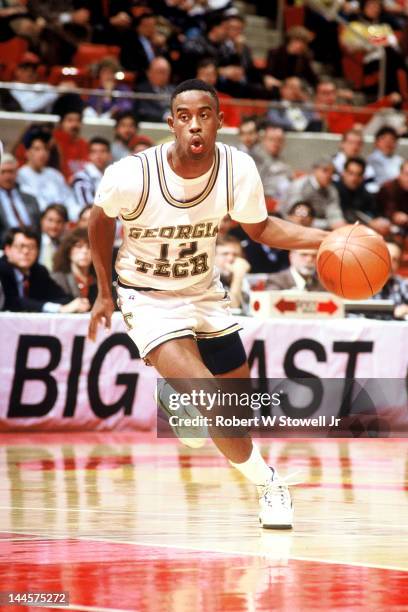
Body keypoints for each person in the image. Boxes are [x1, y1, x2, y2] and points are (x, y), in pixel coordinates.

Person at [87, 79, 328, 530]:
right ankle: (270, 482)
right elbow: (98, 221)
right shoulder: (132, 173)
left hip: (204, 291)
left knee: (237, 412)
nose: (194, 125)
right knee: (213, 398)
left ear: (220, 121)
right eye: (184, 116)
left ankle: (180, 398)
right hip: (148, 296)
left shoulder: (237, 168)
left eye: (204, 115)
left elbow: (261, 229)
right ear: (171, 123)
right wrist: (104, 291)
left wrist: (328, 239)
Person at [0, 227, 90, 313]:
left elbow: (61, 297)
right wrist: (58, 308)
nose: (26, 251)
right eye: (21, 247)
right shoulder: (2, 270)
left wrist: (76, 304)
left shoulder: (39, 271)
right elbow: (10, 301)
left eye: (31, 247)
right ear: (8, 250)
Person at [17, 130, 76, 218]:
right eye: (37, 149)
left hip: (62, 222)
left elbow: (70, 201)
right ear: (27, 152)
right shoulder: (19, 176)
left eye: (46, 149)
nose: (42, 153)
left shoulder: (55, 175)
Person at [280, 157, 346, 229]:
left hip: (317, 225)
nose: (329, 175)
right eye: (325, 171)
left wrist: (340, 224)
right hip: (289, 224)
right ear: (315, 170)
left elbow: (334, 213)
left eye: (332, 172)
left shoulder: (331, 190)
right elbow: (296, 218)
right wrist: (330, 223)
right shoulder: (300, 185)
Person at [335, 157, 390, 234]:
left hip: (360, 232)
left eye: (358, 174)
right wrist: (369, 223)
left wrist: (380, 222)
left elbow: (375, 213)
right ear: (343, 173)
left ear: (363, 177)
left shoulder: (364, 193)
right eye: (351, 173)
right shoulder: (333, 190)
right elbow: (344, 215)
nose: (354, 178)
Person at [0, 153, 41, 246]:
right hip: (6, 246)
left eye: (11, 172)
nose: (7, 176)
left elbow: (38, 226)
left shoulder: (31, 199)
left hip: (32, 243)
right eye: (3, 172)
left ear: (16, 173)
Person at [52, 227, 97, 304]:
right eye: (79, 246)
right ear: (68, 251)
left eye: (89, 247)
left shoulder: (100, 280)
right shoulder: (57, 279)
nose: (84, 251)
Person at [72, 137, 112, 210]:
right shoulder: (81, 177)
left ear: (109, 155)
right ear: (89, 155)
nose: (98, 156)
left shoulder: (114, 176)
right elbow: (87, 207)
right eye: (94, 152)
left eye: (103, 151)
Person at [332, 129, 377, 193]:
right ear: (342, 144)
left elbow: (372, 188)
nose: (355, 147)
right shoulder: (331, 164)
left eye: (358, 144)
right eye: (351, 142)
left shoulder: (367, 167)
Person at [373, 241, 408, 320]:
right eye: (386, 256)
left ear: (398, 265)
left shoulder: (404, 285)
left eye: (394, 259)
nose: (390, 262)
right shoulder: (360, 284)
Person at [133, 57, 175, 123]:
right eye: (160, 72)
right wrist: (165, 116)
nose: (164, 75)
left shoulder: (174, 90)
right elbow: (143, 111)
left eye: (166, 72)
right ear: (149, 73)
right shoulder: (141, 90)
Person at [215, 235, 250, 311]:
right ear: (213, 257)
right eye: (225, 254)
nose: (230, 259)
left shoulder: (245, 280)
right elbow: (233, 304)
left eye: (236, 254)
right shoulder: (206, 281)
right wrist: (238, 275)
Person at [376, 159, 408, 232]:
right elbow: (393, 214)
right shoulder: (389, 188)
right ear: (400, 174)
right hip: (386, 227)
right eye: (407, 174)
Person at [38, 203, 68, 271]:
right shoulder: (34, 241)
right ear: (42, 220)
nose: (54, 226)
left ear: (64, 225)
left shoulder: (65, 245)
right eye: (50, 220)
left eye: (59, 221)